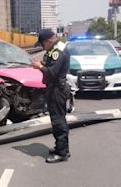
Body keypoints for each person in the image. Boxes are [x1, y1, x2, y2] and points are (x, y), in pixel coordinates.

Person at [32, 29, 71, 163]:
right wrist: (43, 64)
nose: (42, 47)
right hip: (56, 88)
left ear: (48, 41)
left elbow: (52, 73)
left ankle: (62, 153)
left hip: (57, 90)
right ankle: (62, 148)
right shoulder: (57, 48)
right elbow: (54, 67)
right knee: (60, 120)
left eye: (43, 44)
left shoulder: (57, 52)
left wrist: (40, 67)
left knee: (58, 121)